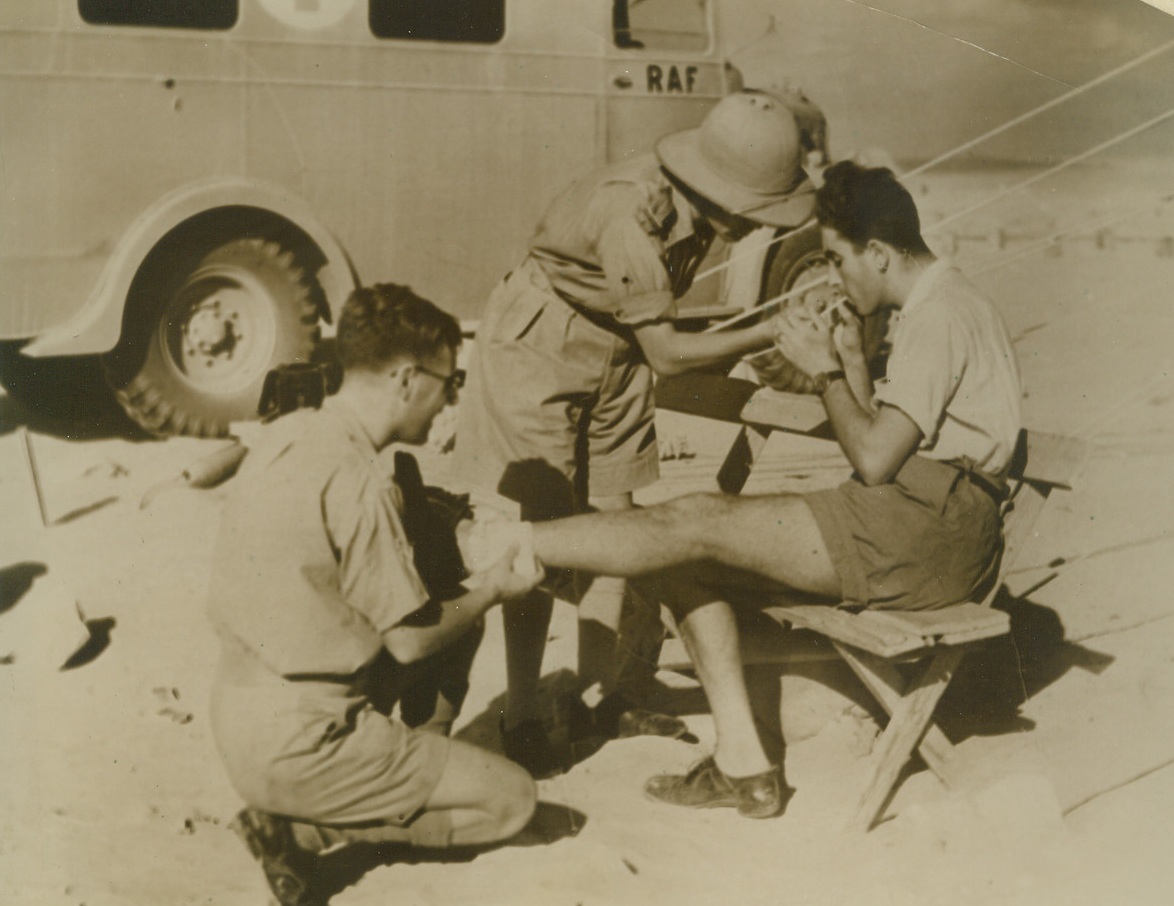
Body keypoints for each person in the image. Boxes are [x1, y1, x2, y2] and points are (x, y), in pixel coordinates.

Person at [486, 159, 1022, 817]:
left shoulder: (940, 314)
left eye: (838, 259)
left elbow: (876, 459)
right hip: (919, 521)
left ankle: (497, 544)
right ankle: (746, 767)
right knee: (682, 551)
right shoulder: (942, 302)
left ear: (878, 253)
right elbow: (885, 444)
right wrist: (852, 362)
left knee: (693, 521)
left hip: (926, 529)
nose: (834, 276)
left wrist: (825, 373)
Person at [453, 90, 817, 777]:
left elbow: (651, 338)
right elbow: (671, 356)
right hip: (541, 345)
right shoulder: (630, 213)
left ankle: (607, 694)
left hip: (616, 349)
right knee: (540, 527)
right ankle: (525, 712)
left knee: (616, 521)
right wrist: (773, 329)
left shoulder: (697, 205)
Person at [207, 284, 543, 906]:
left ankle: (405, 769)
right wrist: (495, 586)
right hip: (304, 743)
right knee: (512, 801)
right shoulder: (359, 479)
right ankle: (301, 834)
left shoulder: (290, 433)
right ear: (408, 379)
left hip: (240, 714)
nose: (450, 399)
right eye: (450, 381)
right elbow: (412, 640)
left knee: (450, 614)